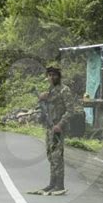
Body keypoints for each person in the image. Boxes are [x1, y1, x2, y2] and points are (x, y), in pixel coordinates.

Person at [30, 64, 74, 196]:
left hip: (58, 128)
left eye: (54, 75)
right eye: (49, 75)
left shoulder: (64, 90)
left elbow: (71, 110)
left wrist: (60, 125)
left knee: (56, 156)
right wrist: (42, 98)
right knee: (50, 155)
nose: (51, 77)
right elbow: (45, 108)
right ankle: (52, 183)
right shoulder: (49, 91)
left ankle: (59, 185)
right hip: (49, 127)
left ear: (58, 76)